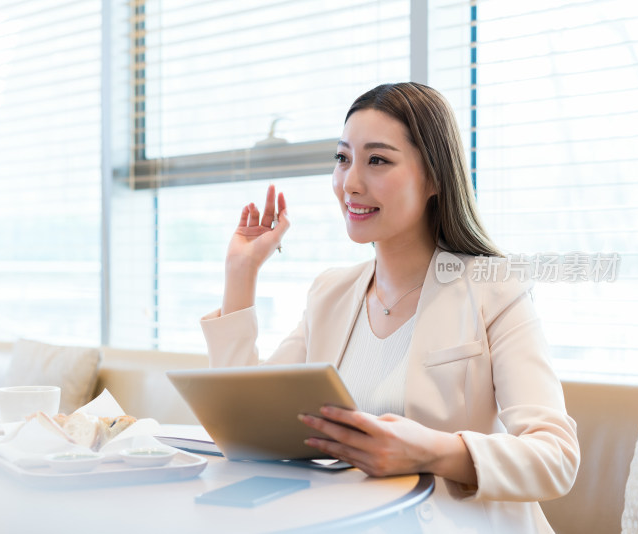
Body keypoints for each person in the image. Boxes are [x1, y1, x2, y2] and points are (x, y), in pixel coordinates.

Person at [199, 82, 579, 533]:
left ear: (435, 177)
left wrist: (433, 451)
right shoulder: (331, 294)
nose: (350, 183)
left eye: (377, 160)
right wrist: (241, 275)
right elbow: (246, 424)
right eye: (343, 159)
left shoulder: (494, 290)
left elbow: (555, 457)